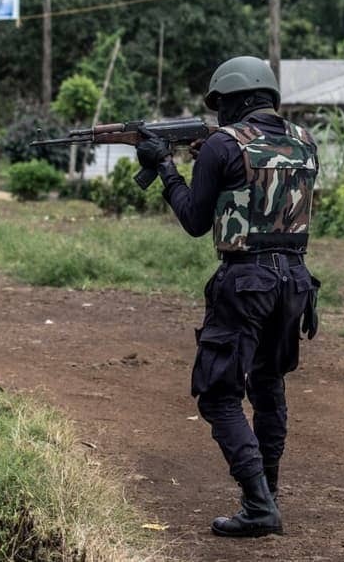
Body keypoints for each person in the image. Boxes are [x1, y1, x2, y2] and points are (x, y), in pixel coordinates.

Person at [135, 55, 320, 538]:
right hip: (295, 281)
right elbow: (258, 186)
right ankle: (268, 495)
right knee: (268, 386)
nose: (218, 118)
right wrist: (206, 158)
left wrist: (164, 168)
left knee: (218, 394)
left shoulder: (221, 145)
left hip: (245, 282)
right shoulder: (305, 143)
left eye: (222, 108)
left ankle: (259, 506)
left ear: (235, 99)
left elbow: (197, 221)